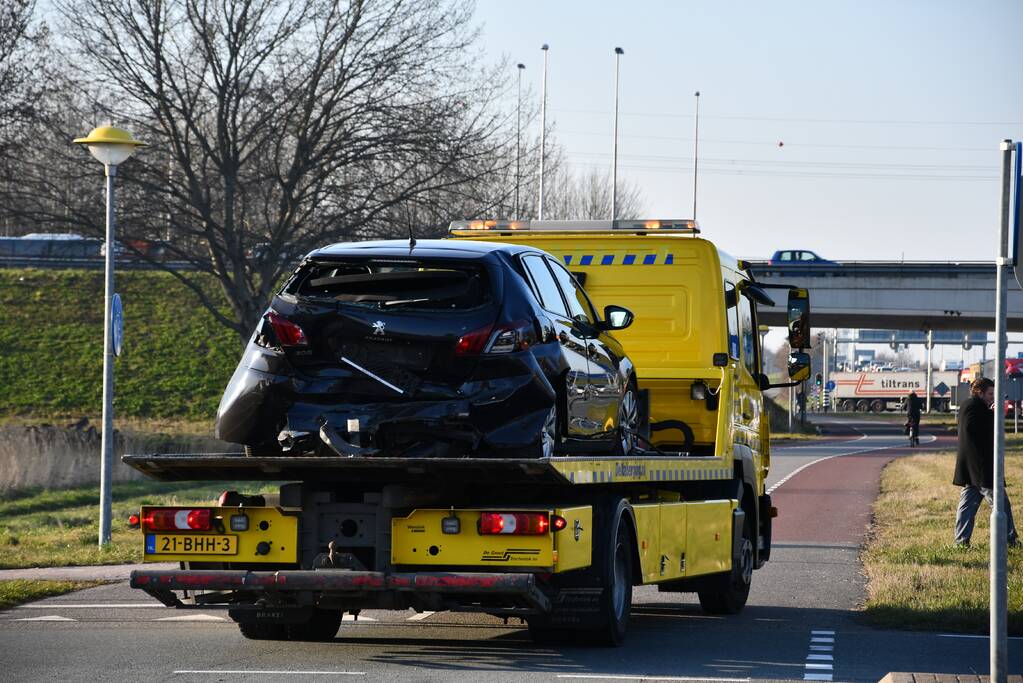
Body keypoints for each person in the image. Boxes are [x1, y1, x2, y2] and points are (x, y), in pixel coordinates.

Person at [953, 377, 1019, 547]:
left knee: (967, 506)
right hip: (982, 467)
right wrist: (994, 415)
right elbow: (975, 430)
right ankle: (1010, 539)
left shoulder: (971, 406)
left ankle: (961, 542)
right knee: (1000, 504)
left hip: (973, 467)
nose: (992, 397)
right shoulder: (974, 406)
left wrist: (991, 413)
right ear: (979, 392)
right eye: (990, 393)